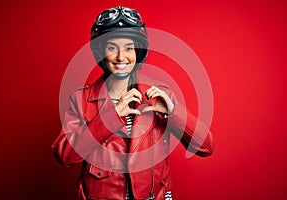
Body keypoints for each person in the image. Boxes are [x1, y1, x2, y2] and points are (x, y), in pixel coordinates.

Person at [52, 6, 214, 200]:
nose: (121, 57)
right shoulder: (80, 100)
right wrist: (111, 116)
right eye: (112, 48)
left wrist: (173, 112)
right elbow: (65, 156)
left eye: (129, 48)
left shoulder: (159, 96)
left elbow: (206, 147)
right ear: (101, 52)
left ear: (138, 51)